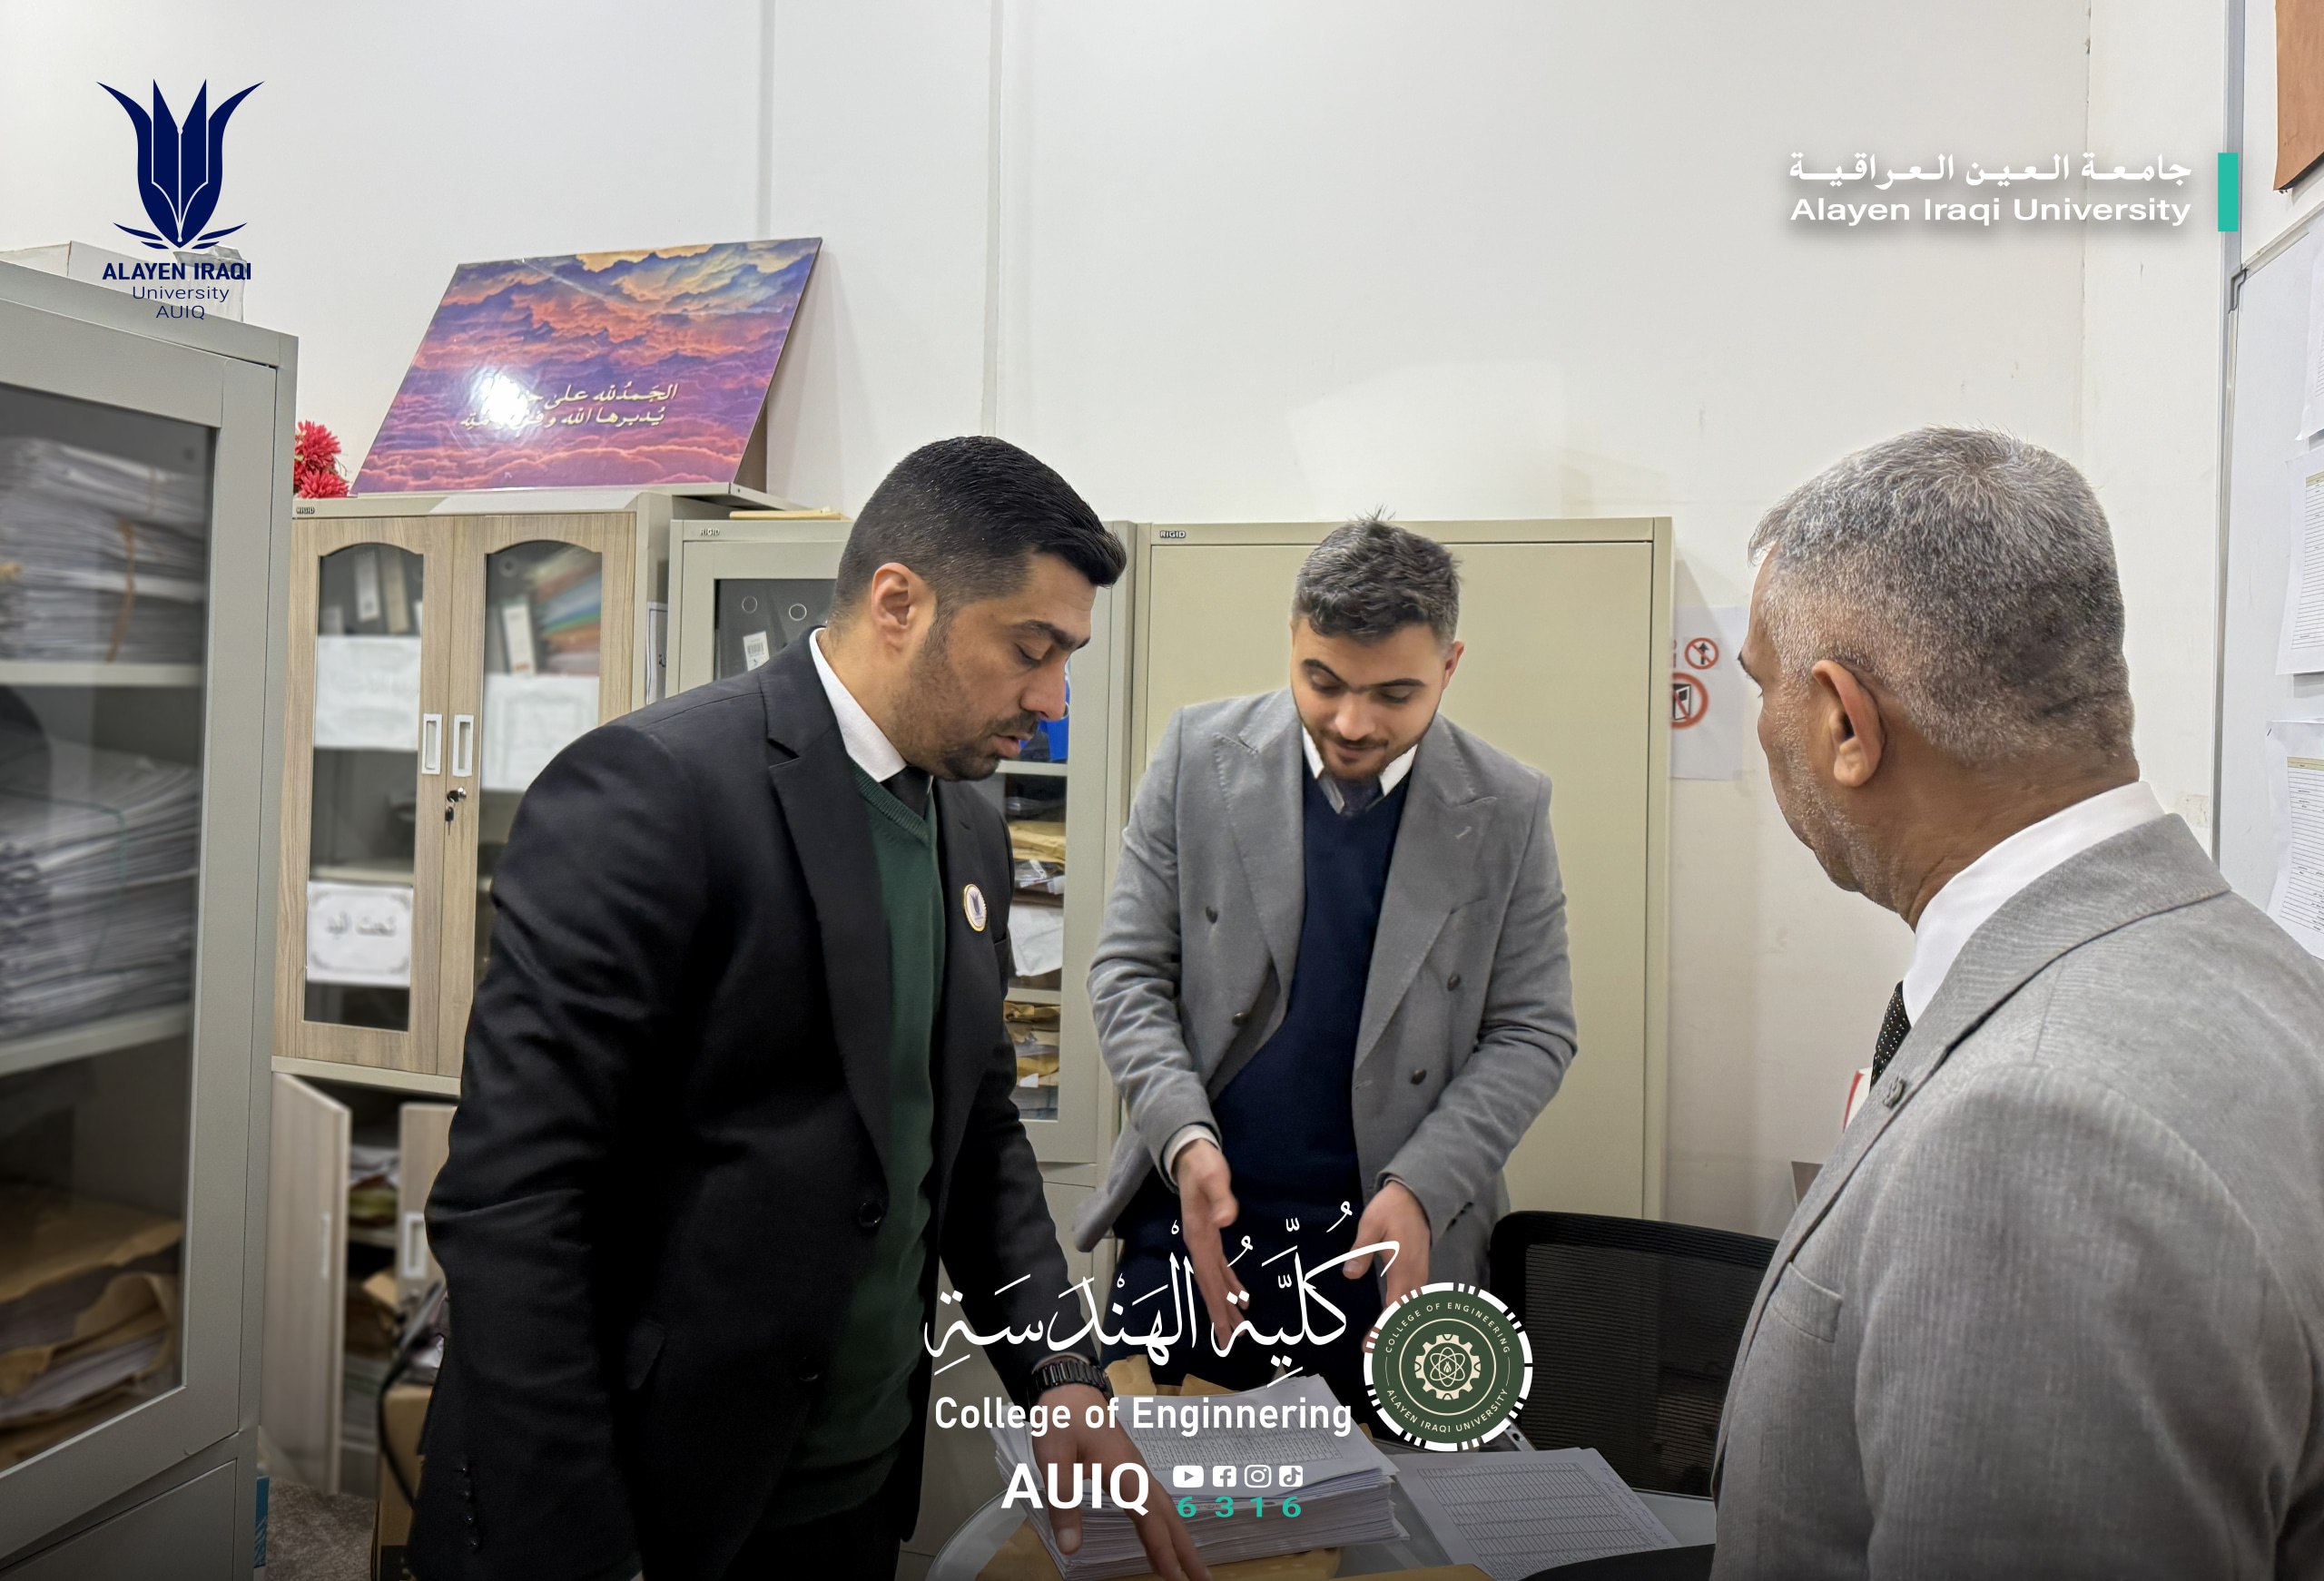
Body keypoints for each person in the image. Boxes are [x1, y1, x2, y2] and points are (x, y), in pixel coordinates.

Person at [409, 438, 1206, 1581]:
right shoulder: (652, 790)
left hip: (852, 1491)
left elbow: (975, 1130)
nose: (1052, 697)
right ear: (899, 602)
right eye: (1031, 650)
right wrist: (577, 1547)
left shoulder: (965, 823)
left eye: (1066, 657)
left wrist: (1061, 1370)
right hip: (635, 1497)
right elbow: (513, 1201)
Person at [1717, 427, 2324, 1577]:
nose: (1761, 724)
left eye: (1761, 684)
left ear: (1844, 723)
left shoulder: (2035, 1128)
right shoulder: (2255, 967)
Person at [1075, 516, 1578, 1406]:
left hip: (1398, 1236)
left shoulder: (1507, 804)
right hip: (1196, 1223)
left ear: (1449, 666)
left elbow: (1534, 1030)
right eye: (1324, 681)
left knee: (1401, 1496)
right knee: (1155, 1485)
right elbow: (1127, 972)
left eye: (1394, 693)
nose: (1352, 722)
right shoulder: (1198, 757)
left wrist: (1424, 1186)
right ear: (1293, 640)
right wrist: (1181, 1136)